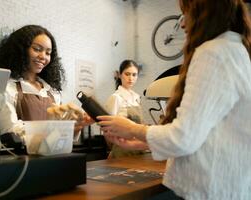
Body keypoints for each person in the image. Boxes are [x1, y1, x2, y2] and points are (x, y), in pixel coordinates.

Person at [98, 0, 251, 199]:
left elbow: (183, 138)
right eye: (128, 74)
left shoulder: (214, 52)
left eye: (185, 14)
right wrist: (140, 143)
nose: (182, 24)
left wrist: (132, 129)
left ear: (203, 13)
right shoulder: (236, 50)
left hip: (207, 189)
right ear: (120, 75)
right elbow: (203, 135)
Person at [0, 25, 88, 151]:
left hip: (52, 156)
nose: (43, 56)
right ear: (20, 50)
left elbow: (62, 138)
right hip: (21, 162)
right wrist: (54, 130)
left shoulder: (52, 91)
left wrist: (73, 127)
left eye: (48, 53)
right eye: (37, 49)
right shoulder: (6, 87)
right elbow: (12, 133)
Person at [105, 59, 145, 158]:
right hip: (121, 150)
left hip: (138, 148)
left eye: (134, 75)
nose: (131, 78)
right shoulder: (116, 98)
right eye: (127, 74)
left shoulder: (137, 98)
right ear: (120, 75)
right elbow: (106, 129)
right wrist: (113, 148)